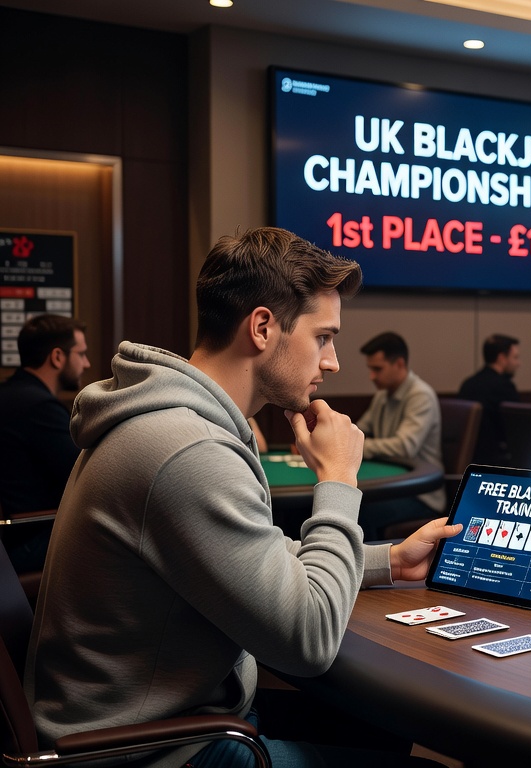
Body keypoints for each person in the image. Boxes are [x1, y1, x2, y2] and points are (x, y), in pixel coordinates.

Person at [26, 226, 460, 768]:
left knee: (384, 727)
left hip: (174, 720)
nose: (333, 362)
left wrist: (387, 561)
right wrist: (339, 479)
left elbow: (256, 556)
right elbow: (308, 639)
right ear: (261, 328)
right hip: (149, 750)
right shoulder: (187, 450)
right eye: (323, 337)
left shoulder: (174, 425)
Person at [0, 314, 88, 571]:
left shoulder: (10, 395)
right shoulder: (38, 408)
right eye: (81, 354)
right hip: (29, 539)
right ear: (58, 357)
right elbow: (83, 476)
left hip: (13, 539)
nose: (87, 363)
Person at [357, 332, 445, 536]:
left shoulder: (420, 395)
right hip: (392, 485)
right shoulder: (382, 395)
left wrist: (356, 446)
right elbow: (359, 429)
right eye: (370, 369)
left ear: (399, 363)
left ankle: (367, 568)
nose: (372, 376)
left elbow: (404, 446)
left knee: (363, 513)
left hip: (421, 495)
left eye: (377, 369)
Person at [457, 333, 521, 465]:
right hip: (497, 463)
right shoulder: (504, 387)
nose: (518, 363)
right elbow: (517, 430)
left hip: (467, 461)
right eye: (515, 358)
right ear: (502, 358)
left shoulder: (467, 384)